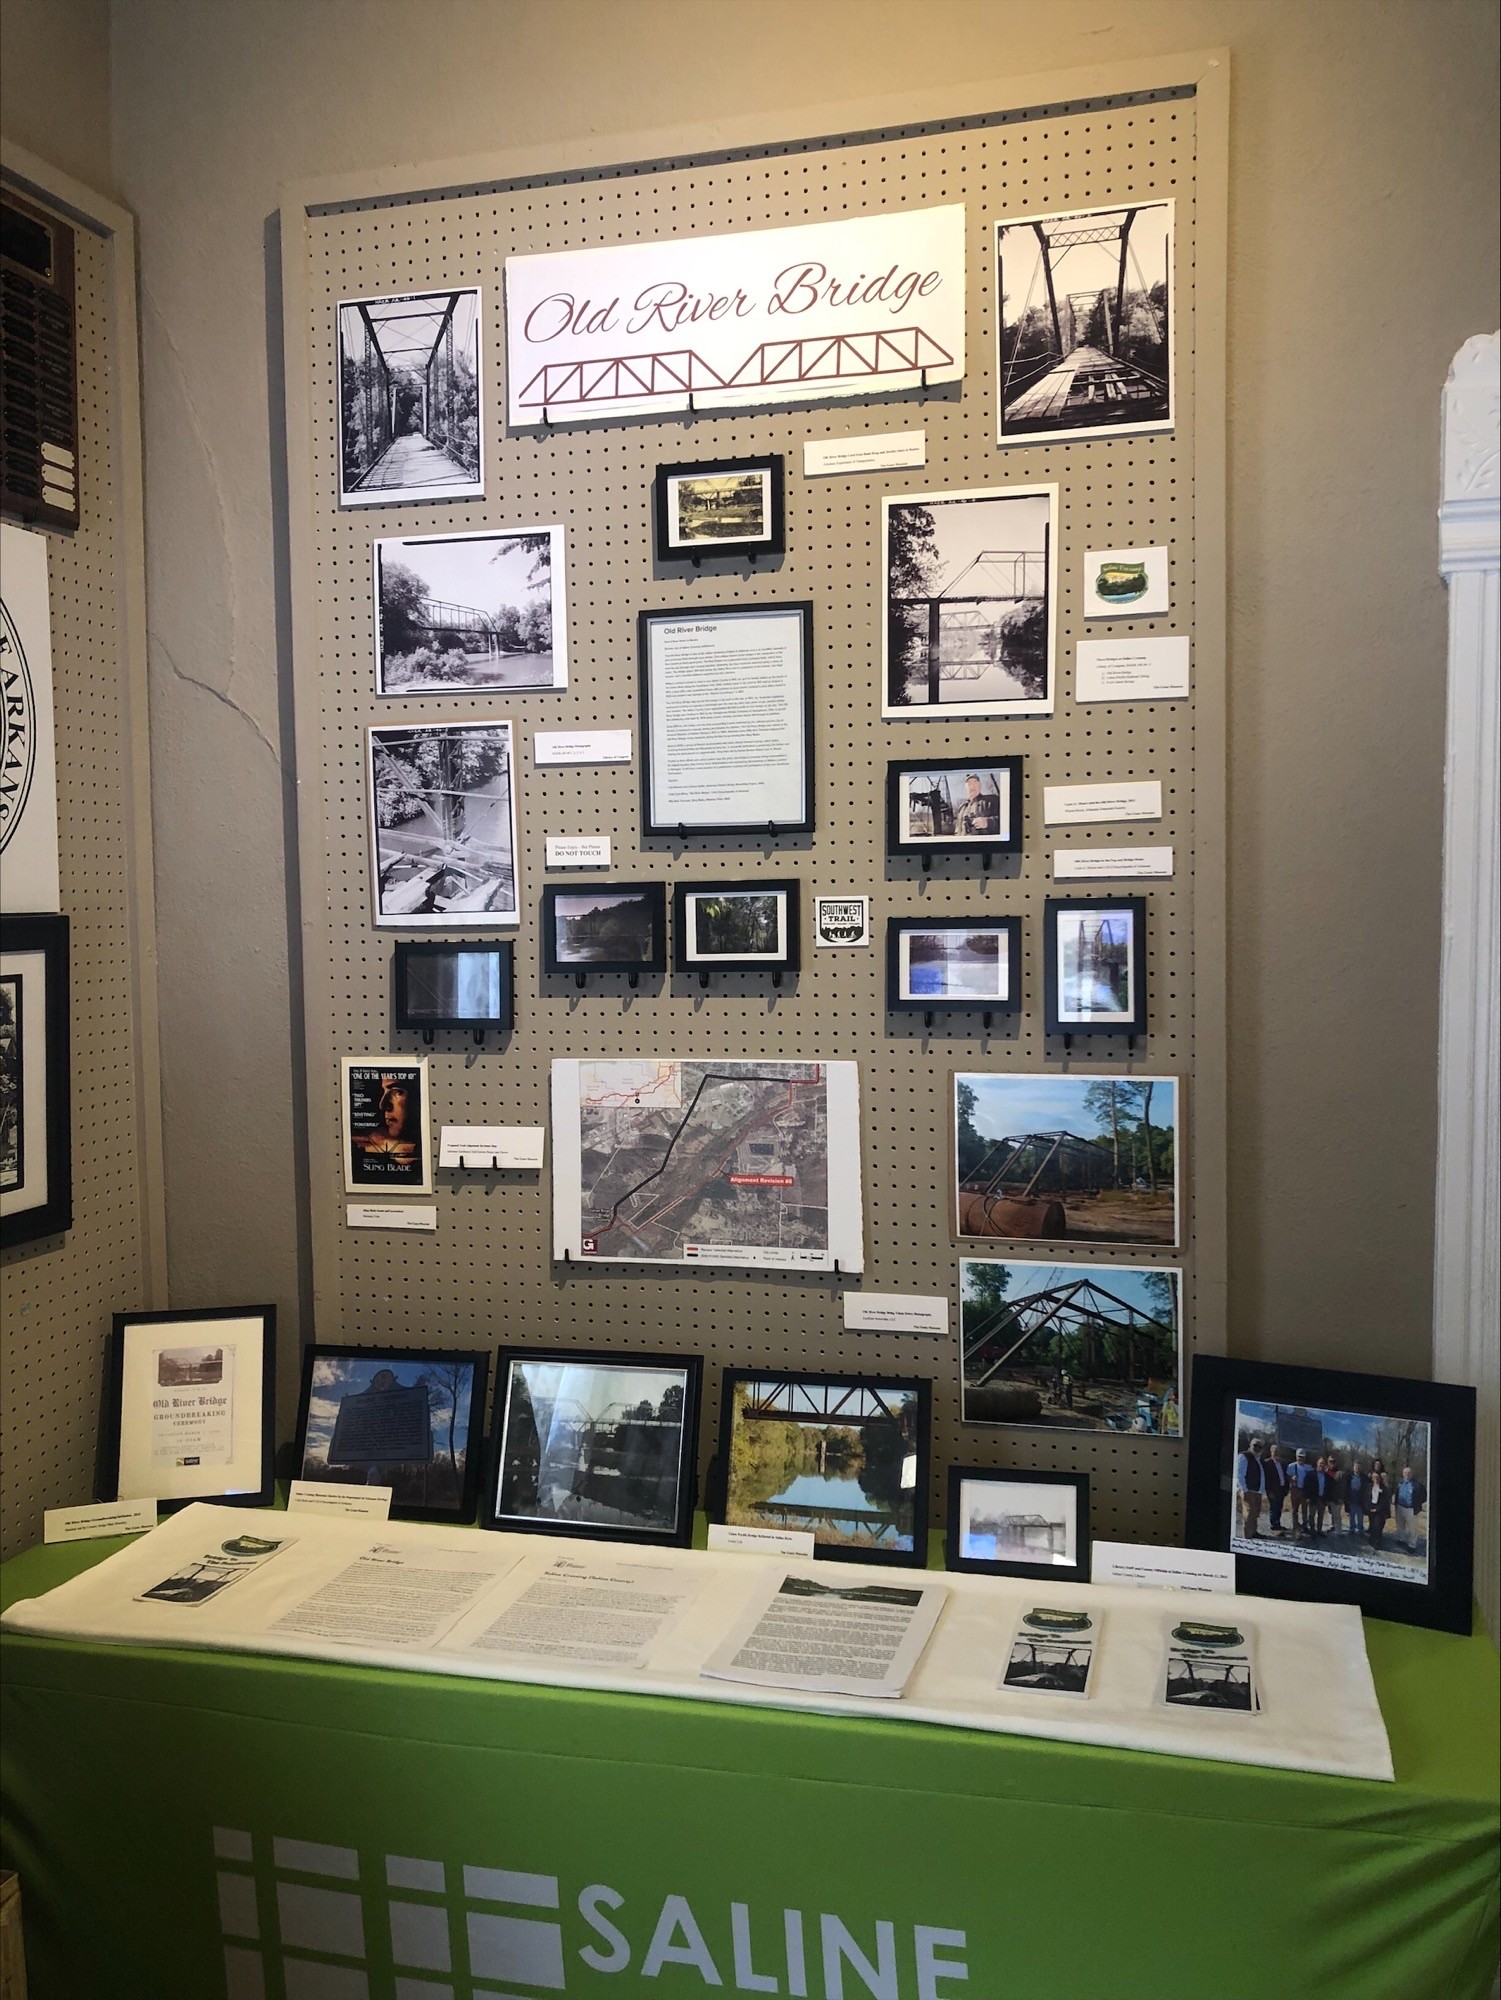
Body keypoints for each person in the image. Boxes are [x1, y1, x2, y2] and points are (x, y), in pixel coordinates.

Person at [1234, 1435, 1266, 1540]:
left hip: (1257, 1491)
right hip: (1248, 1490)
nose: (1257, 1448)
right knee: (1249, 1514)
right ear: (1250, 1445)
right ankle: (1247, 1538)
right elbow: (1239, 1475)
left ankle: (1254, 1532)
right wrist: (1244, 1490)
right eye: (1255, 1445)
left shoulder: (1259, 1459)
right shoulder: (1244, 1456)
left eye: (1259, 1446)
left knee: (1255, 1513)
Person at [953, 772, 1000, 837]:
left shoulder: (992, 800)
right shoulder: (961, 808)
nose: (972, 786)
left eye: (975, 782)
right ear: (966, 788)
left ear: (980, 785)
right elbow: (957, 830)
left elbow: (1008, 821)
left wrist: (988, 822)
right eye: (969, 784)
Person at [1394, 1465, 1427, 1554]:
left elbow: (1424, 1496)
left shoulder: (1417, 1485)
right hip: (1400, 1507)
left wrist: (1417, 1504)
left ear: (1412, 1474)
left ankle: (1412, 1545)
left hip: (1411, 1509)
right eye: (1405, 1473)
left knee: (1412, 1528)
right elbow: (1396, 1494)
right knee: (1400, 1525)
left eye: (1409, 1473)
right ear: (1403, 1474)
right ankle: (1401, 1539)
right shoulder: (1399, 1483)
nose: (1407, 1474)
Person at [1263, 1444, 1289, 1535]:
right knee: (1273, 1508)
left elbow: (1286, 1477)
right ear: (1271, 1452)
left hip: (1282, 1490)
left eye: (1278, 1451)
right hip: (1272, 1491)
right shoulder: (1267, 1463)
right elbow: (1266, 1479)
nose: (1276, 1453)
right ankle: (1274, 1526)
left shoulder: (1283, 1463)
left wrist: (1286, 1489)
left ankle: (1278, 1524)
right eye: (1274, 1451)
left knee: (1279, 1508)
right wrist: (1268, 1491)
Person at [1367, 1461, 1391, 1553]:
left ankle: (1378, 1542)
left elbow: (1384, 1500)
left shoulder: (1384, 1489)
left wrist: (1377, 1509)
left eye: (1377, 1478)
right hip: (1371, 1509)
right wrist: (1369, 1508)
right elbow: (1366, 1498)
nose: (1376, 1479)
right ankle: (1372, 1540)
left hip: (1380, 1510)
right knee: (1372, 1526)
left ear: (1380, 1479)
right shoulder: (1369, 1487)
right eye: (1374, 1478)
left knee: (1378, 1526)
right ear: (1372, 1479)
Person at [1345, 1460, 1367, 1538]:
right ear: (1353, 1467)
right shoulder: (1349, 1476)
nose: (1357, 1468)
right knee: (1351, 1516)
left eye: (1358, 1466)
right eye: (1355, 1466)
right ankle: (1352, 1529)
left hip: (1360, 1501)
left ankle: (1360, 1530)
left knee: (1360, 1516)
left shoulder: (1364, 1477)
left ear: (1360, 1468)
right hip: (1351, 1499)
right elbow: (1346, 1488)